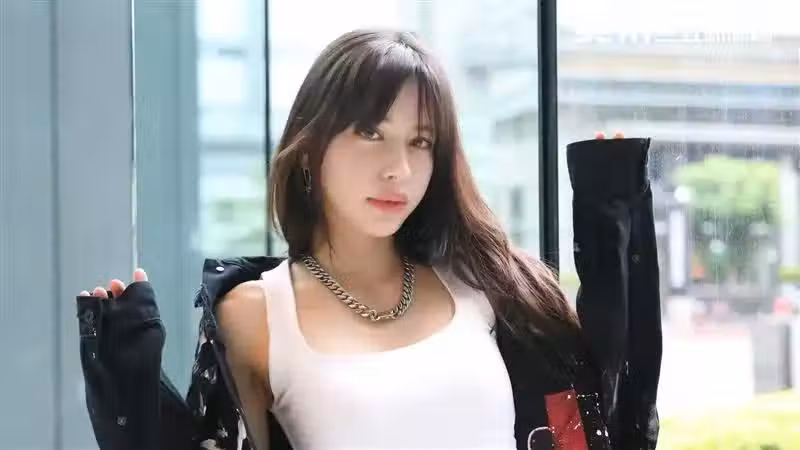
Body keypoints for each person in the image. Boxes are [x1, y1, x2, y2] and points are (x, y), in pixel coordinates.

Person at [78, 29, 661, 450]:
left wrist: (614, 210)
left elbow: (605, 404)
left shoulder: (487, 285)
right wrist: (128, 384)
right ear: (310, 149)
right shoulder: (257, 314)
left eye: (420, 142)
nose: (398, 169)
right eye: (370, 133)